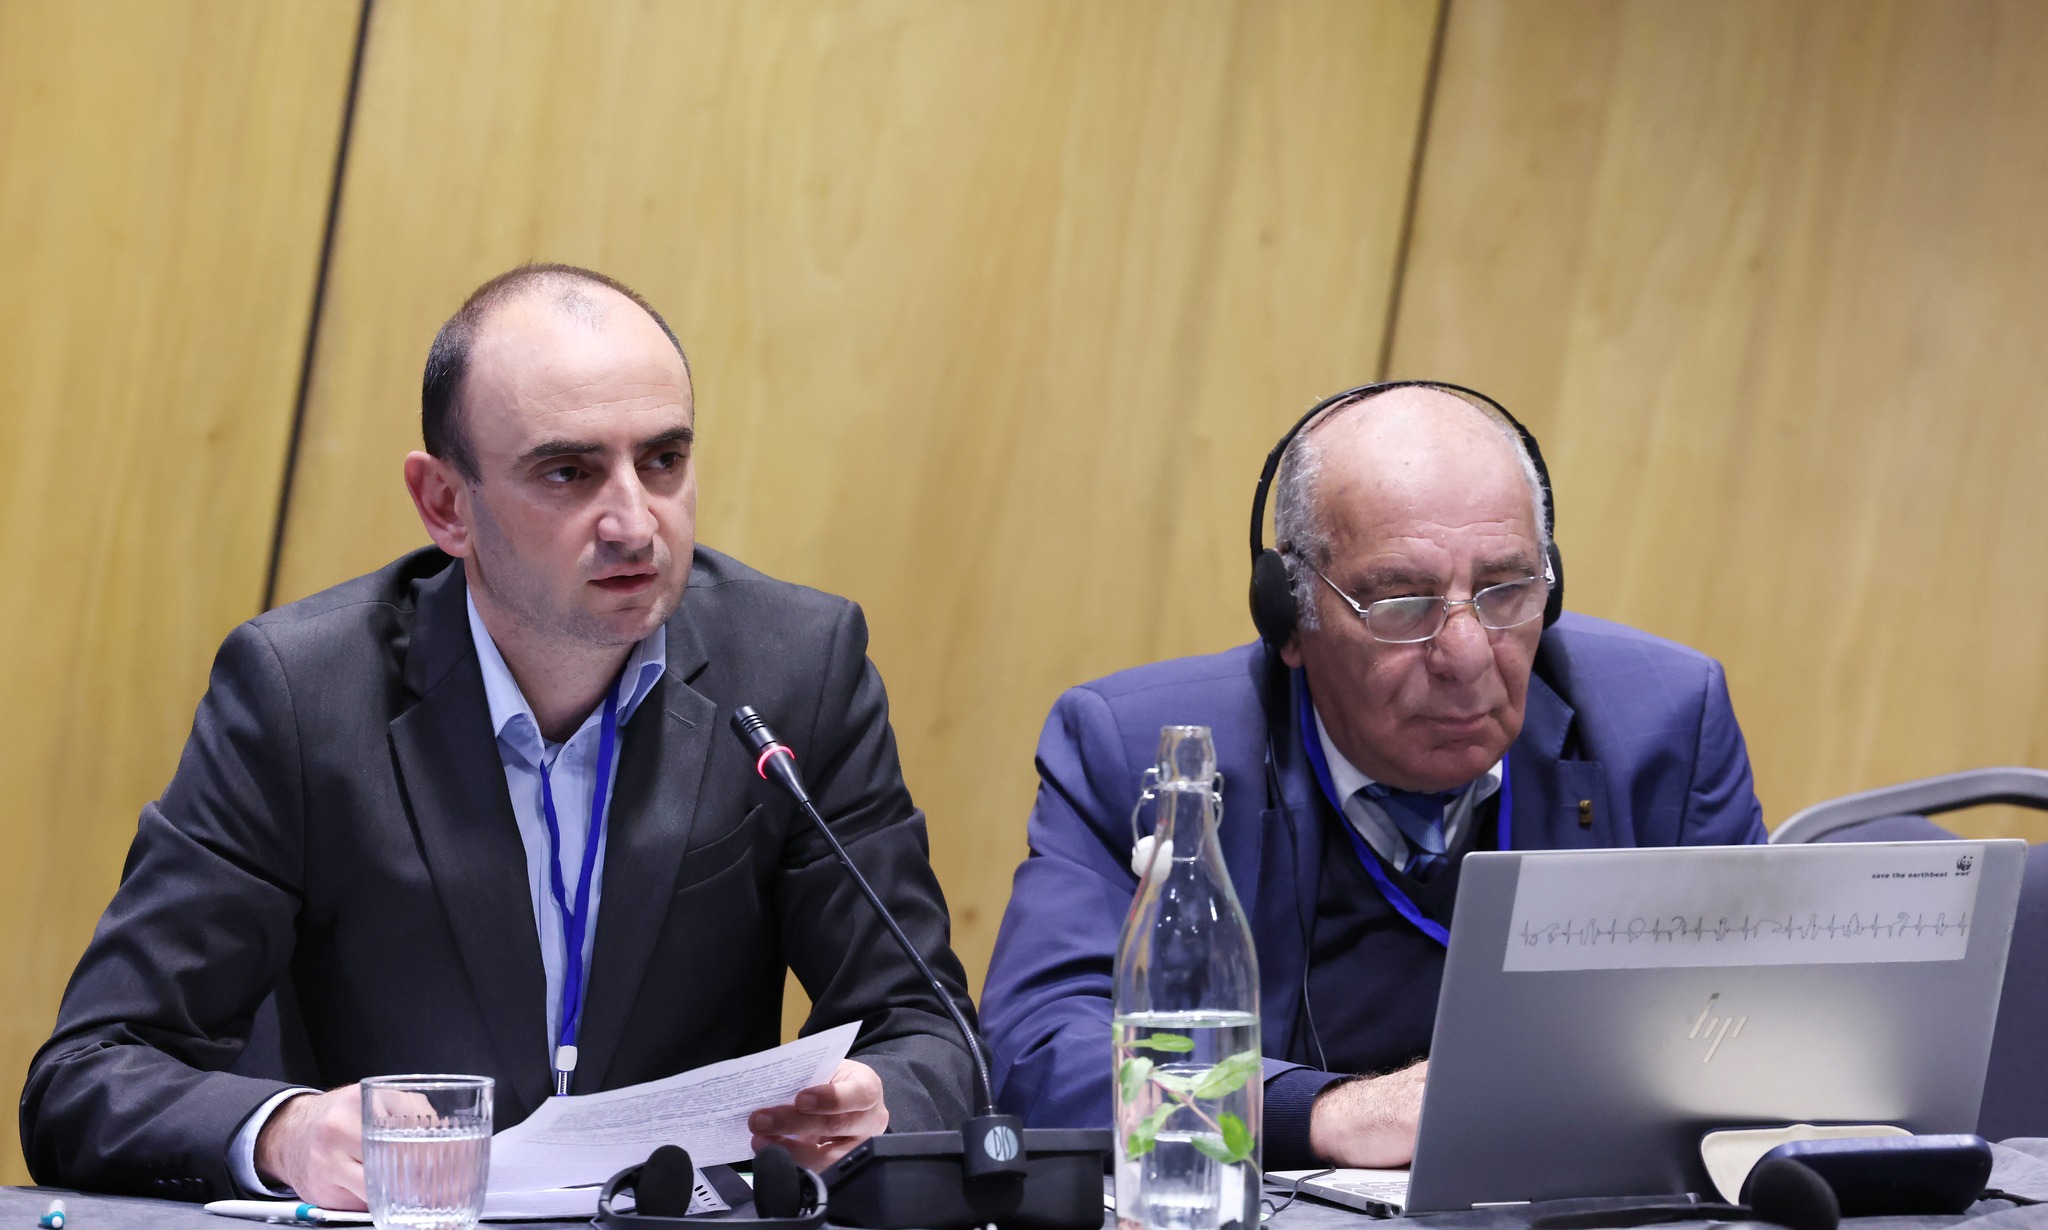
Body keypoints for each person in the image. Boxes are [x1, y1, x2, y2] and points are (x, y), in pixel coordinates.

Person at [22, 265, 978, 1205]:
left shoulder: (796, 670)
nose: (634, 523)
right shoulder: (305, 697)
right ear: (446, 504)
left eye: (663, 461)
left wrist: (875, 1099)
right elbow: (90, 1073)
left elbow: (928, 1030)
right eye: (568, 472)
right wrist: (288, 1132)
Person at [979, 381, 1767, 1171]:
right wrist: (1322, 1115)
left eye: (1506, 591)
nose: (1466, 656)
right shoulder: (1137, 750)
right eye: (1403, 602)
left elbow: (1760, 1026)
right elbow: (1041, 1053)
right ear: (1290, 618)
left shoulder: (1663, 724)